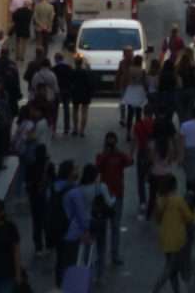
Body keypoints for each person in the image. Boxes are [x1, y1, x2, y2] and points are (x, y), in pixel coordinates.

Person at [96, 131, 132, 265]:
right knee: (105, 226)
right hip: (105, 195)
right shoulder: (102, 156)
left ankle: (114, 255)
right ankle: (105, 254)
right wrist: (107, 153)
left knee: (115, 226)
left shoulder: (119, 156)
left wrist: (117, 152)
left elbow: (129, 161)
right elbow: (98, 167)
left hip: (117, 194)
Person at [152, 174, 193, 293]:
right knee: (170, 268)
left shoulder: (160, 201)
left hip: (165, 238)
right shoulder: (178, 200)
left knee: (172, 269)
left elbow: (158, 219)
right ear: (174, 186)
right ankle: (155, 289)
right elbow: (189, 218)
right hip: (178, 239)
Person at [79, 163, 114, 281]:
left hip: (86, 221)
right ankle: (100, 274)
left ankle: (87, 270)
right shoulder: (101, 187)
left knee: (87, 247)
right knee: (101, 247)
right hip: (100, 220)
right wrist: (113, 198)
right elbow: (109, 203)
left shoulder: (80, 188)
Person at [132, 105, 155, 216]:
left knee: (140, 179)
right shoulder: (155, 125)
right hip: (153, 153)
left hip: (142, 153)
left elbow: (134, 140)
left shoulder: (138, 125)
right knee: (153, 178)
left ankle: (142, 202)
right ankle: (153, 200)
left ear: (143, 113)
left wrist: (131, 154)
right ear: (152, 113)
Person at [122, 53, 148, 139]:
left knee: (130, 113)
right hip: (139, 90)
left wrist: (125, 89)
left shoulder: (129, 69)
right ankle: (137, 132)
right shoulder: (142, 71)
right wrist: (146, 91)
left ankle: (128, 132)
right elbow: (144, 83)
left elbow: (126, 80)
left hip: (131, 90)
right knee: (138, 113)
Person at [71, 54, 94, 137]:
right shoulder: (86, 72)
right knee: (84, 112)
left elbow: (70, 82)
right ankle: (82, 131)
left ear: (75, 63)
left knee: (75, 110)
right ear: (81, 63)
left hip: (76, 93)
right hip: (85, 93)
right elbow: (90, 83)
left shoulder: (73, 71)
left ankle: (75, 129)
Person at [53, 52, 74, 136]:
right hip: (67, 90)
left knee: (55, 110)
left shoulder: (54, 68)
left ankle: (53, 127)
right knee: (66, 109)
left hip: (58, 91)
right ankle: (66, 128)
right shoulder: (68, 67)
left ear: (56, 59)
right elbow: (72, 78)